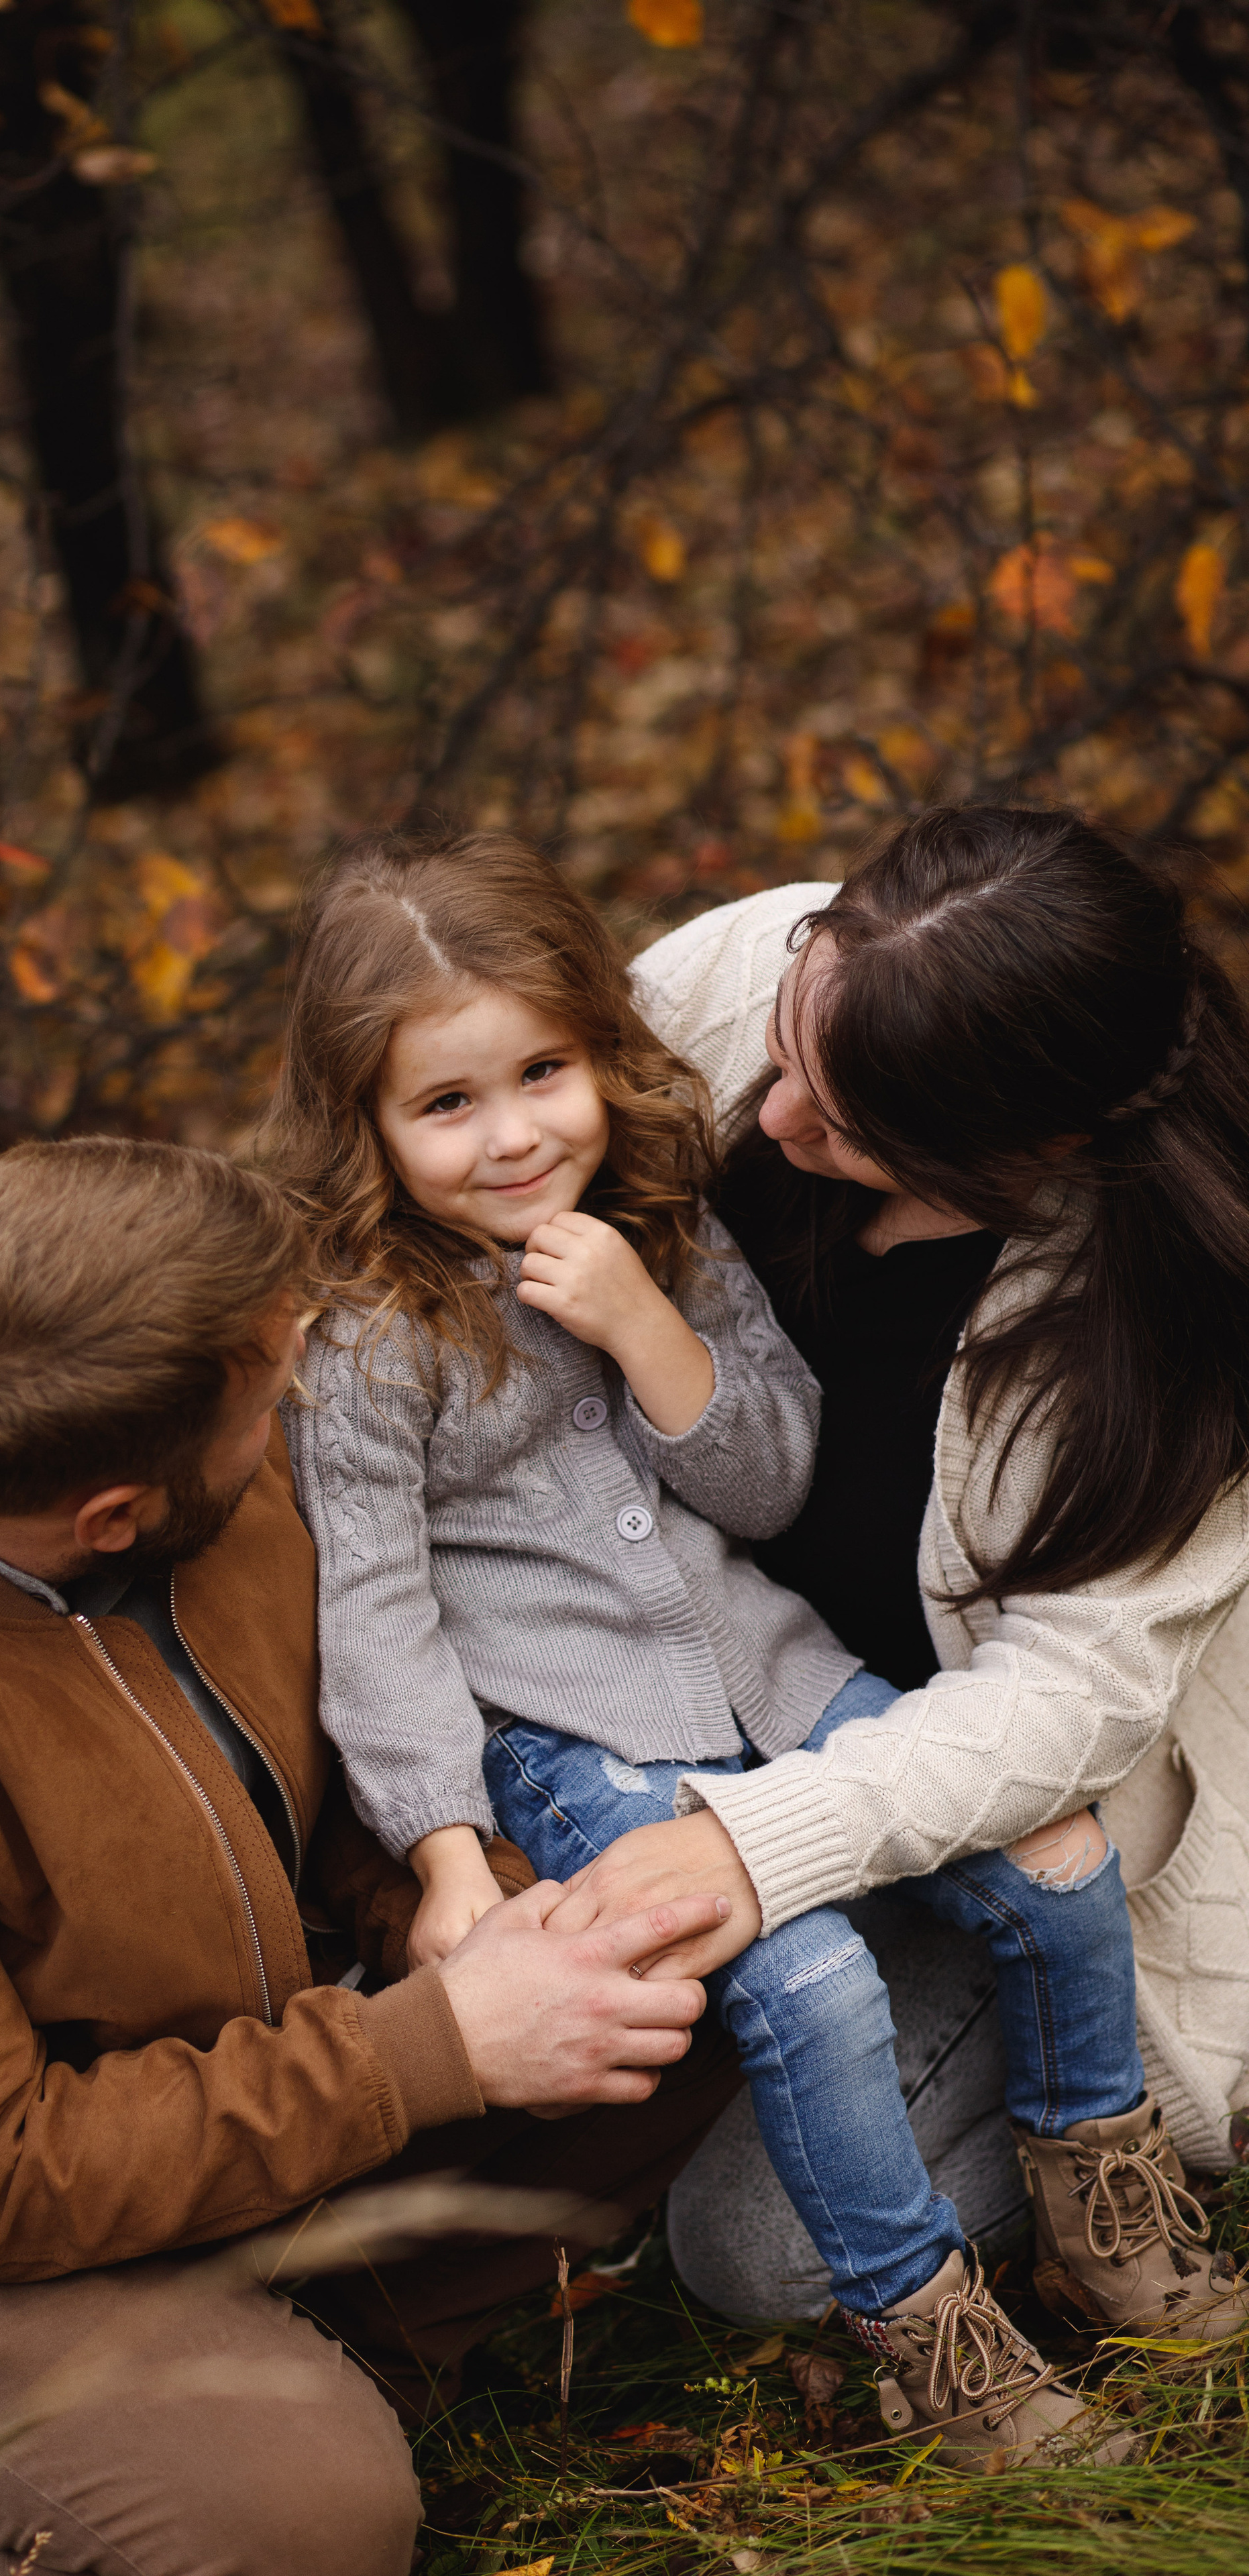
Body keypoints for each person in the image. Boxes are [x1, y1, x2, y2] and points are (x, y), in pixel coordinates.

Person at [0, 1136, 743, 2576]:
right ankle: (22, 2511)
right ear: (114, 1519)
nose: (305, 1393)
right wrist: (430, 2050)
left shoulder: (93, 1370)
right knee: (299, 2526)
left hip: (240, 2044)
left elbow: (311, 1774)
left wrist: (442, 1911)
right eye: (275, 1395)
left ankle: (262, 2381)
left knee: (684, 1940)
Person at [267, 829, 1183, 2470]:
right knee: (810, 1976)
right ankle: (926, 2341)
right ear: (367, 1127)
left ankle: (1105, 2206)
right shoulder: (370, 1344)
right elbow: (376, 1612)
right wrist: (442, 1849)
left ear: (595, 1054)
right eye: (444, 1104)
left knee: (1055, 1869)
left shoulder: (663, 1231)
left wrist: (643, 1326)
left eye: (541, 1073)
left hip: (770, 1668)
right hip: (576, 1743)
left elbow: (767, 1477)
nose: (509, 1135)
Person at [565, 805, 1249, 2334]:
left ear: (1030, 1151)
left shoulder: (1162, 1330)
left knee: (760, 2254)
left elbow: (1068, 1701)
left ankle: (1091, 2145)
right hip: (672, 1657)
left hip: (986, 1788)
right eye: (798, 1036)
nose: (779, 1107)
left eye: (852, 1122)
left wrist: (753, 1848)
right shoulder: (748, 983)